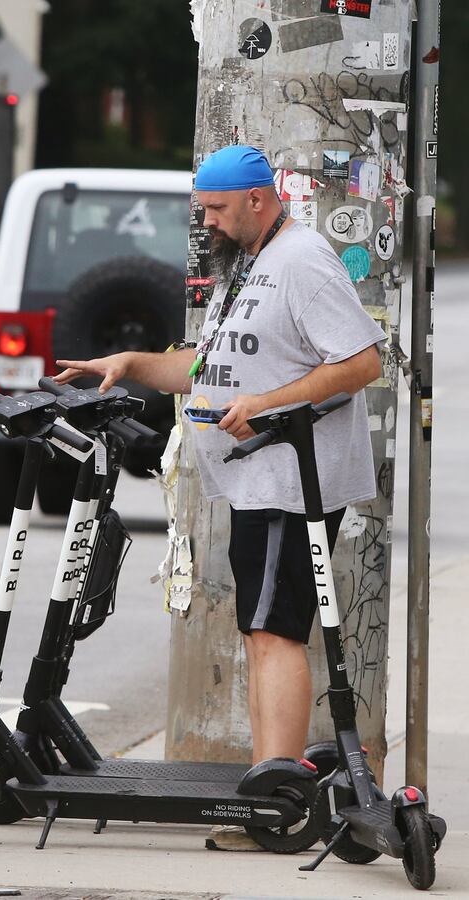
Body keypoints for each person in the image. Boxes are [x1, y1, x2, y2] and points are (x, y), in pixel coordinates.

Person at [54, 145, 384, 851]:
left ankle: (273, 801)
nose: (207, 222)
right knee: (262, 631)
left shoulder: (302, 261)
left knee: (274, 632)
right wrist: (132, 364)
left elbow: (361, 361)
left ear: (258, 201)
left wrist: (268, 404)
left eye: (216, 209)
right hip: (256, 480)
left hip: (293, 482)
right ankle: (271, 789)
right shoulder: (247, 268)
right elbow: (202, 366)